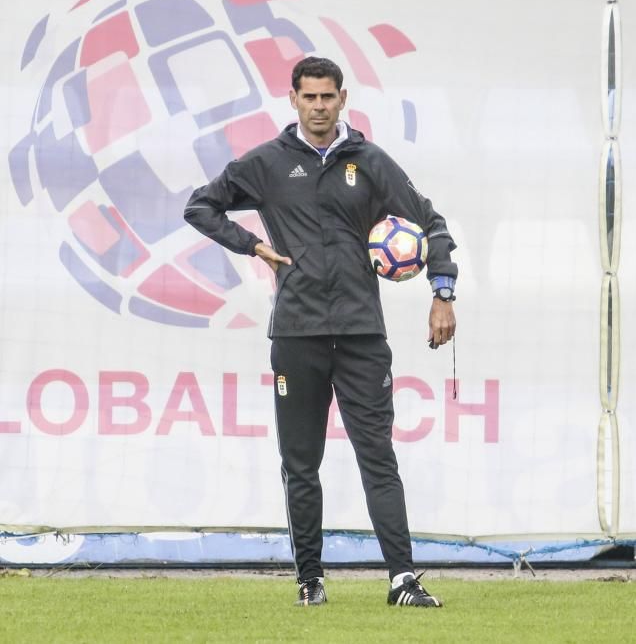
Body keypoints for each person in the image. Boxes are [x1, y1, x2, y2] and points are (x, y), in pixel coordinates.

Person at [184, 56, 457, 607]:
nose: (319, 107)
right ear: (293, 99)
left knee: (377, 455)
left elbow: (431, 225)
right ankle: (311, 581)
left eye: (328, 97)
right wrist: (252, 244)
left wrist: (442, 293)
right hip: (297, 334)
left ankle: (402, 580)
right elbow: (200, 206)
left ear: (342, 98)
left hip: (360, 334)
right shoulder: (267, 164)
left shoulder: (370, 162)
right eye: (309, 97)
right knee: (300, 461)